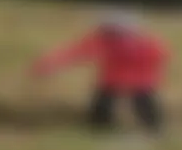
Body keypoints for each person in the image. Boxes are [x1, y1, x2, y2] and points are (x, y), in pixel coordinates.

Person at [30, 10, 170, 133]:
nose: (110, 34)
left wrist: (133, 75)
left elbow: (159, 58)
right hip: (114, 76)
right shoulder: (102, 39)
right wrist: (48, 65)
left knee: (142, 100)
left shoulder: (148, 43)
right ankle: (100, 128)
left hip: (140, 76)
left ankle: (153, 129)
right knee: (103, 102)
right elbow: (76, 52)